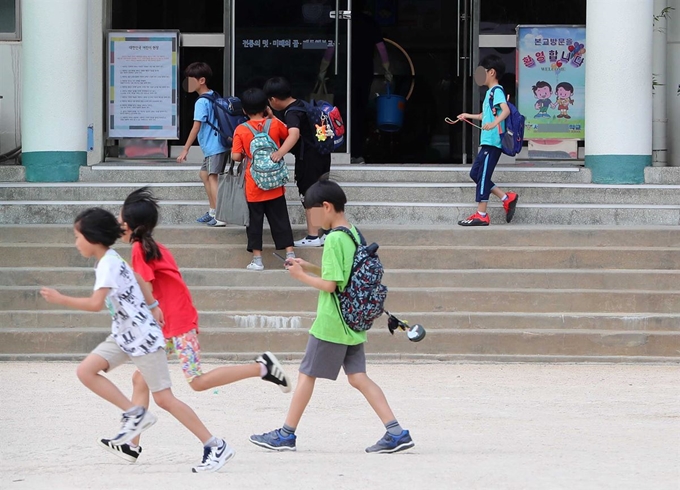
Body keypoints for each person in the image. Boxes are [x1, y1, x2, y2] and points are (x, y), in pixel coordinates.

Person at [98, 187, 292, 463]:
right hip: (168, 322)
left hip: (174, 322)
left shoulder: (141, 250)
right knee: (140, 377)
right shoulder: (150, 246)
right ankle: (131, 444)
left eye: (121, 220)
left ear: (131, 226)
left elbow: (143, 288)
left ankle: (263, 367)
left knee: (197, 382)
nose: (119, 226)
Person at [39, 208, 233, 473]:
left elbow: (96, 304)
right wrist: (153, 304)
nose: (76, 243)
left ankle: (215, 444)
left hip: (142, 338)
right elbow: (139, 277)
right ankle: (135, 414)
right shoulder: (111, 258)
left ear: (93, 237)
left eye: (77, 237)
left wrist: (61, 299)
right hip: (123, 335)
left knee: (164, 399)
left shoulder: (108, 263)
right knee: (86, 371)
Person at [249, 179, 415, 454]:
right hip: (352, 319)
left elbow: (332, 284)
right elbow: (341, 274)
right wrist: (310, 266)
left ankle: (286, 434)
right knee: (358, 376)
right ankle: (396, 431)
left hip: (333, 321)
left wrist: (301, 275)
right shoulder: (352, 233)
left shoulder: (335, 238)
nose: (312, 221)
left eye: (312, 213)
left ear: (326, 207)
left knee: (305, 375)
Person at [316, 0, 391, 164]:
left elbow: (330, 49)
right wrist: (387, 69)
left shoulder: (339, 22)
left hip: (342, 73)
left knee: (339, 113)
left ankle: (337, 149)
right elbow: (381, 48)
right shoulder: (370, 23)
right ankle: (356, 152)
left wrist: (322, 70)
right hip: (363, 72)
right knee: (359, 112)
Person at [231, 88, 297, 270]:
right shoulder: (274, 125)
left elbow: (236, 156)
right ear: (266, 106)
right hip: (275, 183)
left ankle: (257, 260)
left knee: (254, 222)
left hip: (254, 184)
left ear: (244, 110)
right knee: (281, 219)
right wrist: (272, 116)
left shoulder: (241, 129)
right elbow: (287, 135)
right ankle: (290, 254)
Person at [264, 76, 330, 248]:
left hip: (308, 160)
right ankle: (324, 233)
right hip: (322, 155)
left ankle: (313, 236)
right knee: (319, 195)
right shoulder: (301, 105)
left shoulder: (291, 113)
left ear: (273, 99)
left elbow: (293, 134)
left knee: (309, 196)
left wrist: (280, 153)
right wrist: (274, 118)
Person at [456, 55, 519, 226]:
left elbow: (504, 111)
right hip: (487, 143)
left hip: (493, 143)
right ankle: (506, 198)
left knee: (483, 176)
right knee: (475, 174)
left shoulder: (496, 91)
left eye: (481, 72)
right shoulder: (491, 93)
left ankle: (482, 214)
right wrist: (466, 116)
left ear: (491, 72)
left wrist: (494, 124)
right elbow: (485, 116)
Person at [176, 61, 228, 227]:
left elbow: (196, 126)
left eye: (191, 79)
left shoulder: (201, 102)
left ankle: (220, 216)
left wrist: (185, 149)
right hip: (215, 145)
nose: (188, 83)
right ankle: (213, 211)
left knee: (212, 177)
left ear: (202, 80)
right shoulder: (214, 95)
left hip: (214, 146)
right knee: (204, 175)